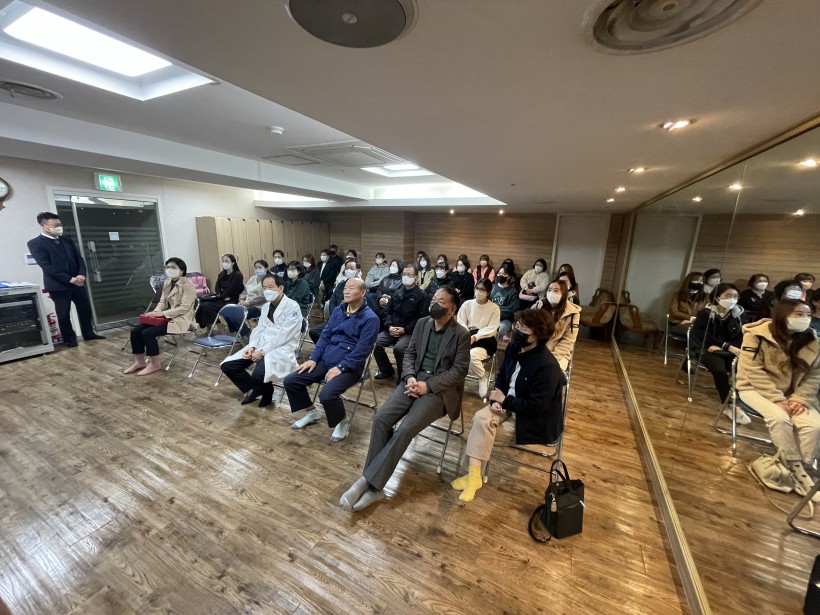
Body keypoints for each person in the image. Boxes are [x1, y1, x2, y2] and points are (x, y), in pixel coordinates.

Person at [339, 286, 470, 512]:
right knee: (381, 419)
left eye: (441, 302)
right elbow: (410, 353)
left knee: (405, 428)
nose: (435, 305)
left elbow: (459, 371)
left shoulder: (461, 334)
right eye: (434, 300)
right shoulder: (422, 324)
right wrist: (409, 376)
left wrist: (428, 386)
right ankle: (373, 484)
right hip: (412, 380)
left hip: (438, 390)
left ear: (453, 308)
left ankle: (368, 483)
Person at [451, 309, 565, 502]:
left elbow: (535, 408)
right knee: (480, 420)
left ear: (538, 335)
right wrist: (497, 400)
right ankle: (474, 477)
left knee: (480, 431)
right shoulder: (514, 347)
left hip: (530, 420)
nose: (517, 331)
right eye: (517, 325)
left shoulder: (547, 367)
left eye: (524, 329)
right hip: (508, 404)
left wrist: (505, 400)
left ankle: (473, 477)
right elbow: (502, 375)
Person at [737, 299, 820, 500]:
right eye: (799, 314)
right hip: (754, 388)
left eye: (808, 315)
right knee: (780, 418)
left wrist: (799, 399)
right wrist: (776, 399)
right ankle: (795, 469)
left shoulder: (811, 339)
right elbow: (753, 371)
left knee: (814, 425)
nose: (805, 319)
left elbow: (814, 376)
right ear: (783, 315)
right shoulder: (756, 334)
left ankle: (802, 467)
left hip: (793, 394)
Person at [284, 278, 379, 442]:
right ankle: (312, 412)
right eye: (345, 288)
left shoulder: (370, 318)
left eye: (351, 288)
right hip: (326, 359)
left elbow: (362, 351)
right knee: (291, 380)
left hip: (350, 366)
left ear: (363, 292)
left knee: (327, 395)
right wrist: (313, 358)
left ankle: (342, 421)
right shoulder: (338, 311)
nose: (346, 291)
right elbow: (325, 336)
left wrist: (341, 367)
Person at [220, 274, 303, 407]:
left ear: (280, 288)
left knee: (258, 374)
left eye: (271, 287)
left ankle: (266, 392)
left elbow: (284, 336)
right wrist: (252, 346)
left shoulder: (292, 307)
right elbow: (259, 329)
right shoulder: (266, 307)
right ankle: (259, 389)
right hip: (261, 343)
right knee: (228, 366)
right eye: (264, 288)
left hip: (282, 347)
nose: (267, 291)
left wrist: (263, 351)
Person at [27, 212, 106, 347]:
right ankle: (70, 339)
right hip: (58, 285)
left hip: (78, 282)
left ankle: (88, 333)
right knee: (63, 314)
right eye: (55, 225)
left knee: (85, 309)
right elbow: (46, 266)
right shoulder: (35, 243)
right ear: (44, 226)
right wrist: (70, 279)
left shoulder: (66, 240)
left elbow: (79, 258)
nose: (59, 227)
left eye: (60, 224)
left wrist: (81, 275)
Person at [123, 257, 195, 375]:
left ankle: (155, 364)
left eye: (173, 267)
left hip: (180, 319)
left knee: (148, 333)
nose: (169, 269)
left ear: (182, 271)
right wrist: (155, 313)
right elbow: (162, 302)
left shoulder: (188, 285)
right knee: (135, 331)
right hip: (165, 316)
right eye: (168, 267)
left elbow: (184, 308)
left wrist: (162, 314)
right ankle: (139, 362)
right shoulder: (167, 282)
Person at [689, 283, 744, 405]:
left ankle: (742, 399)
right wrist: (725, 346)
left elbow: (742, 336)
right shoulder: (705, 314)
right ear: (718, 297)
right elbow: (703, 335)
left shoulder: (739, 315)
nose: (732, 299)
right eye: (728, 295)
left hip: (728, 350)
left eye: (735, 296)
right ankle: (728, 404)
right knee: (720, 370)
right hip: (706, 349)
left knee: (744, 368)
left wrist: (725, 346)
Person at [373, 264, 428, 381]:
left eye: (409, 275)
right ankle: (386, 370)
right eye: (404, 274)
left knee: (399, 348)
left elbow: (421, 319)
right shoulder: (397, 292)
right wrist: (389, 326)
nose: (405, 277)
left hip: (409, 332)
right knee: (376, 343)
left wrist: (405, 330)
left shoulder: (421, 295)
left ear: (416, 278)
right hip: (392, 328)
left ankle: (403, 376)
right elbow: (387, 312)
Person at [457, 278, 500, 397]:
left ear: (488, 292)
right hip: (467, 335)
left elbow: (492, 328)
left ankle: (482, 377)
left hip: (485, 339)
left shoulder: (494, 308)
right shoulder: (467, 304)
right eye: (477, 289)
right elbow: (460, 321)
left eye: (482, 290)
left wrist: (476, 337)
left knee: (472, 356)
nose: (479, 292)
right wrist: (467, 335)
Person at [534, 280, 581, 370]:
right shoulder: (539, 305)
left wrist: (550, 359)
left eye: (556, 291)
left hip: (559, 354)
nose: (551, 293)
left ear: (564, 294)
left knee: (548, 372)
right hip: (536, 349)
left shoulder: (572, 313)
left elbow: (568, 341)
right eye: (549, 290)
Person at [195, 253, 244, 328]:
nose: (224, 263)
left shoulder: (237, 275)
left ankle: (220, 326)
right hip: (221, 297)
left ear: (233, 263)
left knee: (207, 305)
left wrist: (222, 296)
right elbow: (217, 287)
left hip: (231, 300)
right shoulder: (222, 274)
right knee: (200, 303)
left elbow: (232, 289)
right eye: (223, 261)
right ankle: (207, 328)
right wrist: (220, 295)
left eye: (227, 261)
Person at [491, 263, 519, 339]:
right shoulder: (492, 287)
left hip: (504, 319)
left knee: (500, 329)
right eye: (499, 273)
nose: (500, 276)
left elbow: (512, 308)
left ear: (509, 276)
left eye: (503, 274)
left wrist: (497, 310)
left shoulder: (513, 291)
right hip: (489, 315)